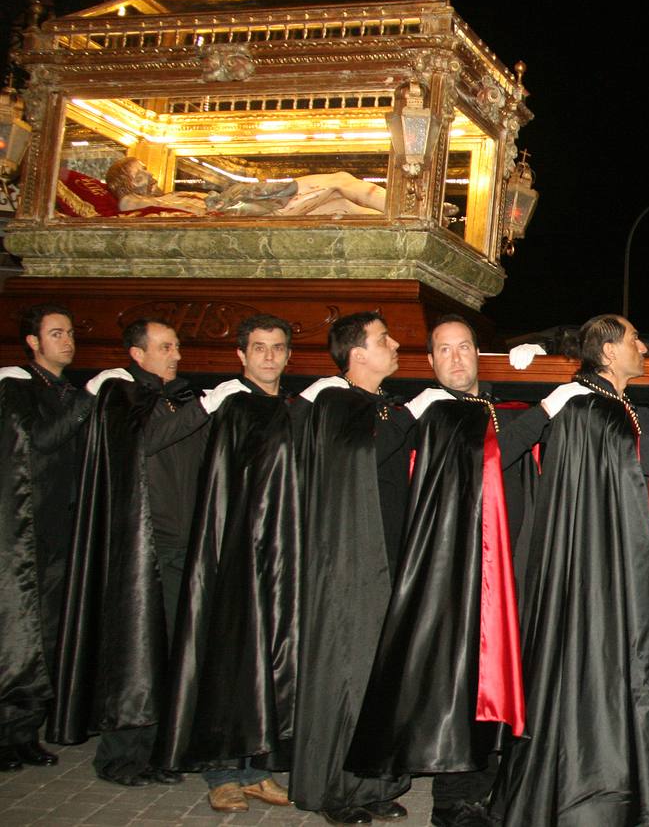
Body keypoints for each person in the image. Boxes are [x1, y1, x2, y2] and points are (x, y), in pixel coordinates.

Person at [492, 314, 649, 825]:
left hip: (606, 573)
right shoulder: (588, 407)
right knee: (599, 674)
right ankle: (595, 793)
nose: (644, 347)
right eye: (634, 340)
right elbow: (644, 459)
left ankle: (624, 785)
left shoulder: (613, 404)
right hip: (592, 580)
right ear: (607, 352)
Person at [347, 314, 558, 827]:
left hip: (512, 564)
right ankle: (454, 802)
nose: (457, 358)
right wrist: (549, 404)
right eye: (445, 350)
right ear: (431, 360)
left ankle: (490, 789)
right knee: (462, 683)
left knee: (503, 679)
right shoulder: (436, 413)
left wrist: (543, 359)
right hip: (459, 575)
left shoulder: (490, 404)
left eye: (465, 347)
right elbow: (489, 451)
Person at [50, 319, 245, 787]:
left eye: (177, 345)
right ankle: (120, 758)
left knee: (173, 653)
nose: (175, 354)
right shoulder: (123, 397)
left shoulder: (178, 398)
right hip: (144, 546)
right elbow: (147, 441)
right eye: (164, 347)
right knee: (137, 652)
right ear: (138, 355)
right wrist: (205, 407)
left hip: (184, 542)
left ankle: (160, 751)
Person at [155, 315, 301, 812]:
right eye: (258, 348)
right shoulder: (229, 405)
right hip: (229, 554)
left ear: (287, 355)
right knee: (225, 654)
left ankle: (258, 768)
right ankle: (221, 772)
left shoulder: (290, 410)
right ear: (241, 354)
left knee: (266, 656)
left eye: (277, 348)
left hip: (275, 556)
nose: (268, 356)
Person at [290, 312, 415, 824]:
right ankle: (337, 791)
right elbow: (359, 461)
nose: (395, 343)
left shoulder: (381, 404)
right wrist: (409, 418)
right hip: (350, 562)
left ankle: (376, 782)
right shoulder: (337, 401)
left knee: (383, 676)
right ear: (357, 354)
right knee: (349, 675)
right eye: (383, 338)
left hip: (388, 555)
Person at [0, 306, 93, 771]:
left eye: (71, 332)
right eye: (57, 333)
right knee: (18, 633)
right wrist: (85, 402)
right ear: (33, 342)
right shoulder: (15, 385)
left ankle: (25, 730)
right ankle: (7, 733)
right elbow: (39, 441)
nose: (68, 340)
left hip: (62, 527)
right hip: (22, 530)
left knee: (49, 633)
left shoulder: (63, 389)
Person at [104, 156, 390, 217]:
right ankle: (409, 215)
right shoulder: (130, 203)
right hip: (246, 211)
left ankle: (402, 219)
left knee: (342, 204)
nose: (151, 175)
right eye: (141, 173)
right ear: (127, 182)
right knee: (339, 180)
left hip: (238, 204)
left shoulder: (160, 197)